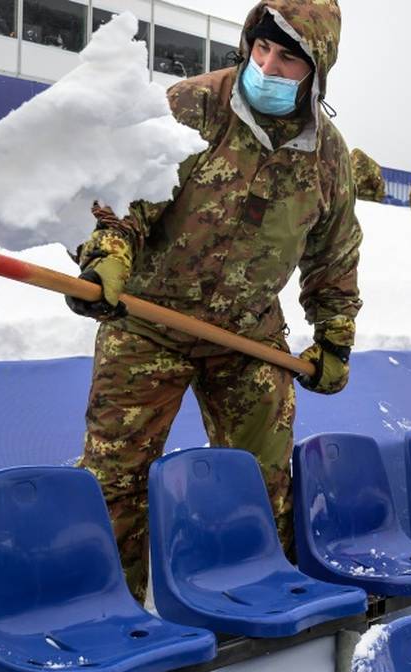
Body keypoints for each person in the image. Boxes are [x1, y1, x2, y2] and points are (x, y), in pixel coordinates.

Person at [64, 0, 360, 602]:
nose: (268, 68)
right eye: (262, 49)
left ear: (317, 71)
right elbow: (125, 199)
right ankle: (108, 611)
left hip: (246, 333)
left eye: (289, 60)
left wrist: (334, 335)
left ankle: (255, 596)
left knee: (260, 479)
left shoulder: (328, 156)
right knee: (114, 477)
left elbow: (334, 254)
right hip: (149, 320)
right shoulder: (191, 106)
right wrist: (108, 256)